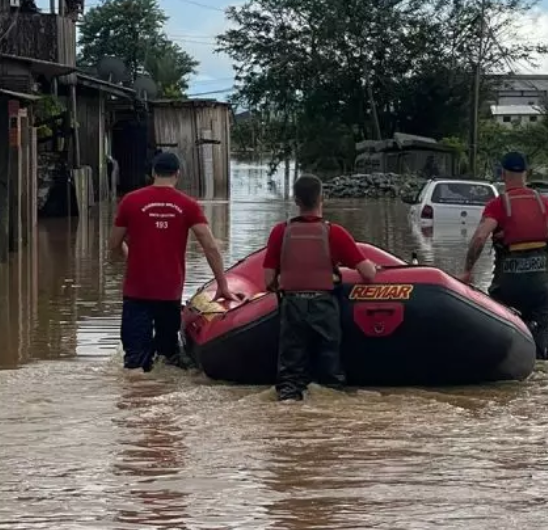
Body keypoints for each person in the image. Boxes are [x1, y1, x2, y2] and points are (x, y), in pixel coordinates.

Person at [108, 152, 242, 373]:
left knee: (134, 362)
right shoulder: (188, 205)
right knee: (168, 359)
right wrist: (223, 285)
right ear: (177, 174)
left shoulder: (130, 201)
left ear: (153, 172)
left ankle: (135, 401)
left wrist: (130, 255)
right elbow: (209, 245)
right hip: (169, 292)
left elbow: (113, 243)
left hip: (136, 291)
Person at [263, 174, 379, 402]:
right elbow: (368, 273)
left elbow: (268, 279)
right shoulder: (335, 233)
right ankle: (328, 411)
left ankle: (287, 404)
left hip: (293, 306)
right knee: (330, 371)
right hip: (324, 306)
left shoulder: (280, 232)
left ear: (296, 200)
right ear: (321, 198)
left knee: (290, 372)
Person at [459, 151, 548, 360]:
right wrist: (547, 269)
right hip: (541, 286)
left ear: (503, 174)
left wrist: (468, 270)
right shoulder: (545, 204)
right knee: (541, 348)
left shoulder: (498, 205)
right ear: (526, 173)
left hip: (508, 285)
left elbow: (479, 239)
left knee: (501, 334)